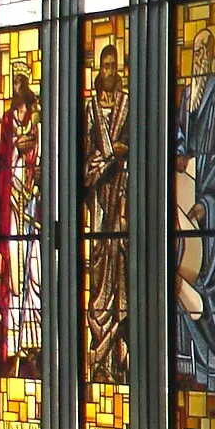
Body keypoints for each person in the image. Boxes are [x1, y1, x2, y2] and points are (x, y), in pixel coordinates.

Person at [172, 25, 215, 394]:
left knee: (207, 280)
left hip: (207, 205)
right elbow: (177, 136)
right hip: (182, 198)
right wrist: (179, 160)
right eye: (196, 50)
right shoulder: (186, 95)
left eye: (206, 50)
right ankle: (191, 362)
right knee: (180, 277)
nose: (200, 56)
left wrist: (205, 201)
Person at [82, 41, 129, 385]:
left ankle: (115, 359)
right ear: (100, 70)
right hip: (99, 200)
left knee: (120, 269)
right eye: (105, 65)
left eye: (114, 66)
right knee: (99, 266)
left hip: (123, 198)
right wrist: (98, 164)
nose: (109, 71)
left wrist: (122, 156)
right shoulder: (90, 108)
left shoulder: (128, 105)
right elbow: (82, 155)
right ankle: (97, 353)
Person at [0, 59, 42, 378]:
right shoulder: (8, 119)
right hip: (12, 200)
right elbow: (3, 155)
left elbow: (41, 154)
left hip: (32, 202)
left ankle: (34, 343)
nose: (17, 87)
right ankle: (13, 345)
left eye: (21, 82)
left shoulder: (36, 119)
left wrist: (32, 149)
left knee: (34, 269)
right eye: (13, 82)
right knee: (14, 274)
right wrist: (16, 149)